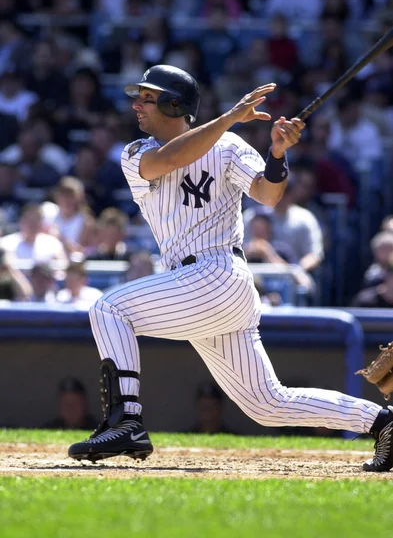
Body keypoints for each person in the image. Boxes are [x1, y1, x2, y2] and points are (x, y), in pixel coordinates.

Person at [68, 64, 393, 472]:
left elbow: (267, 194)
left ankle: (125, 420)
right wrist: (230, 118)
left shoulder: (230, 146)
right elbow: (173, 157)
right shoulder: (136, 153)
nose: (137, 105)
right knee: (267, 403)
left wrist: (278, 153)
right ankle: (383, 421)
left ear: (175, 103)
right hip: (193, 283)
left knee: (108, 308)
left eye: (148, 98)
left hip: (218, 273)